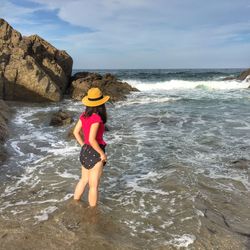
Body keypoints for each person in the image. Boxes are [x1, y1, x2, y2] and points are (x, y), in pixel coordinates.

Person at [73, 87, 110, 207]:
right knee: (93, 186)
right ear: (101, 104)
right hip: (95, 152)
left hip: (85, 151)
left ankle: (74, 203)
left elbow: (75, 132)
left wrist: (83, 145)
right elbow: (92, 139)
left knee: (83, 180)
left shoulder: (84, 115)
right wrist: (102, 154)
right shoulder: (96, 118)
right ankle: (93, 213)